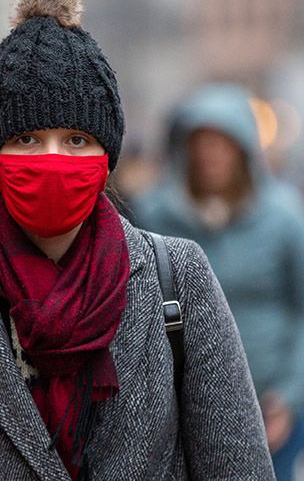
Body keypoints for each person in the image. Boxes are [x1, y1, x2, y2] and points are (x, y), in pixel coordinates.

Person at [0, 0, 274, 480]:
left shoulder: (177, 280)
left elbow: (238, 467)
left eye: (76, 139)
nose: (52, 159)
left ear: (107, 155)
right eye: (28, 138)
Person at [134, 83, 304, 481]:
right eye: (201, 143)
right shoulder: (155, 216)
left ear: (243, 150)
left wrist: (290, 396)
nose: (211, 155)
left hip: (269, 403)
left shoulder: (283, 219)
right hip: (179, 402)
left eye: (222, 143)